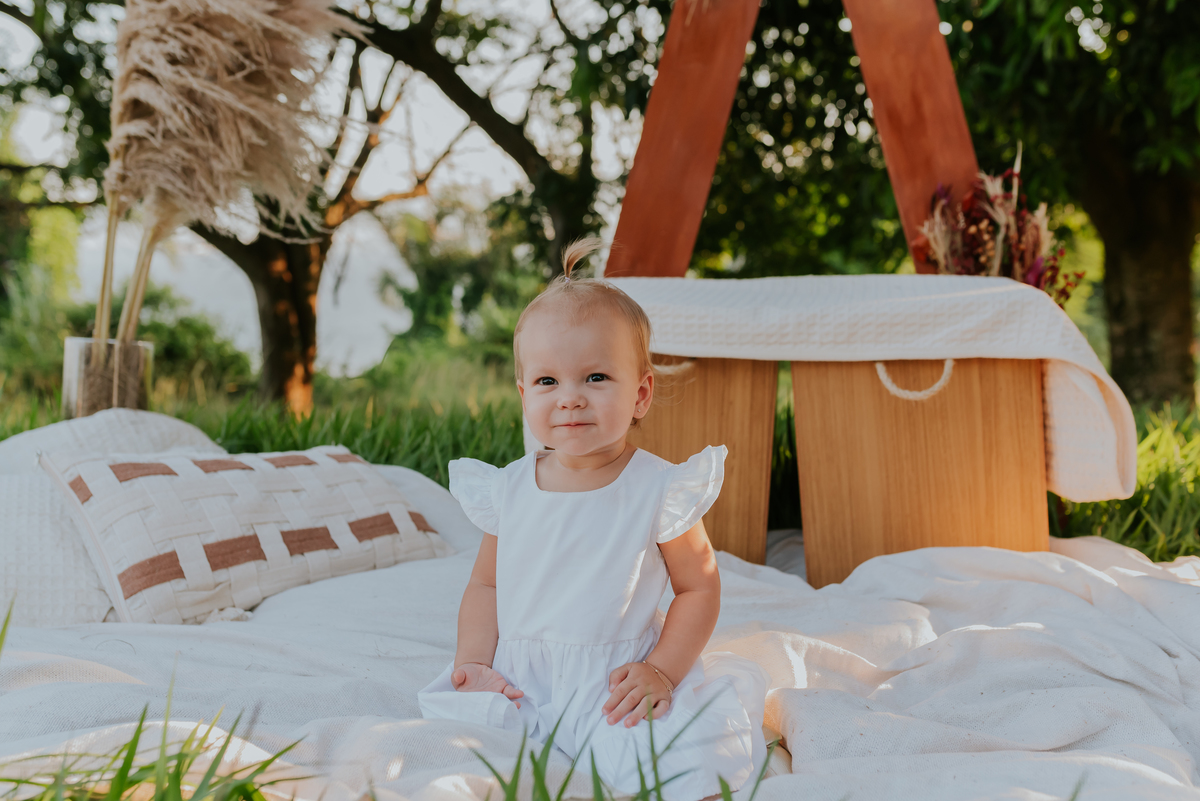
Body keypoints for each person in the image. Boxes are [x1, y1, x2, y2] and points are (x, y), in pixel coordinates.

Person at [418, 238, 767, 800]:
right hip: (522, 680)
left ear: (641, 393)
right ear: (523, 393)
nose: (570, 399)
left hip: (618, 679)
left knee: (676, 764)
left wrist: (664, 671)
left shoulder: (658, 488)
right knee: (467, 755)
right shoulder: (507, 488)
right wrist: (474, 663)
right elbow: (486, 584)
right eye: (548, 381)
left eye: (596, 379)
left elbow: (698, 587)